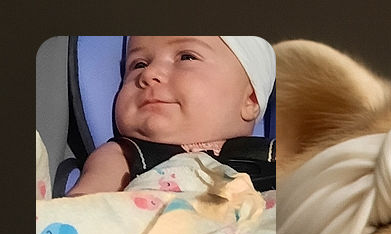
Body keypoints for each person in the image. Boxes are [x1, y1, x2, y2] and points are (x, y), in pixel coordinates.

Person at [67, 36, 275, 196]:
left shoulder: (276, 156)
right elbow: (80, 213)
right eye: (139, 64)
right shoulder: (121, 157)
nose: (149, 74)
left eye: (186, 57)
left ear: (250, 100)